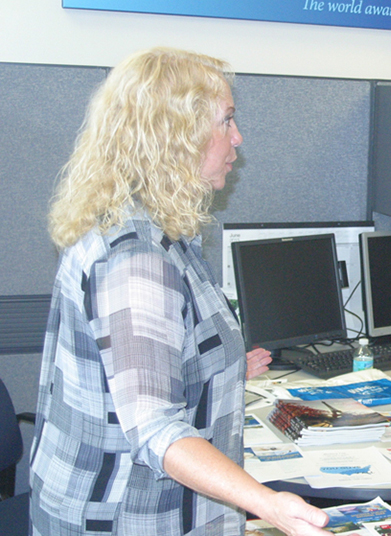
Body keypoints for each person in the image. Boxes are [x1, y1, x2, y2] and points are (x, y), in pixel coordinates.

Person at [29, 47, 329, 535]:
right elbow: (154, 426)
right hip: (127, 516)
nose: (238, 138)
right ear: (173, 135)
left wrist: (220, 367)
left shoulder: (156, 227)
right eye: (225, 121)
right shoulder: (136, 260)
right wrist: (267, 504)